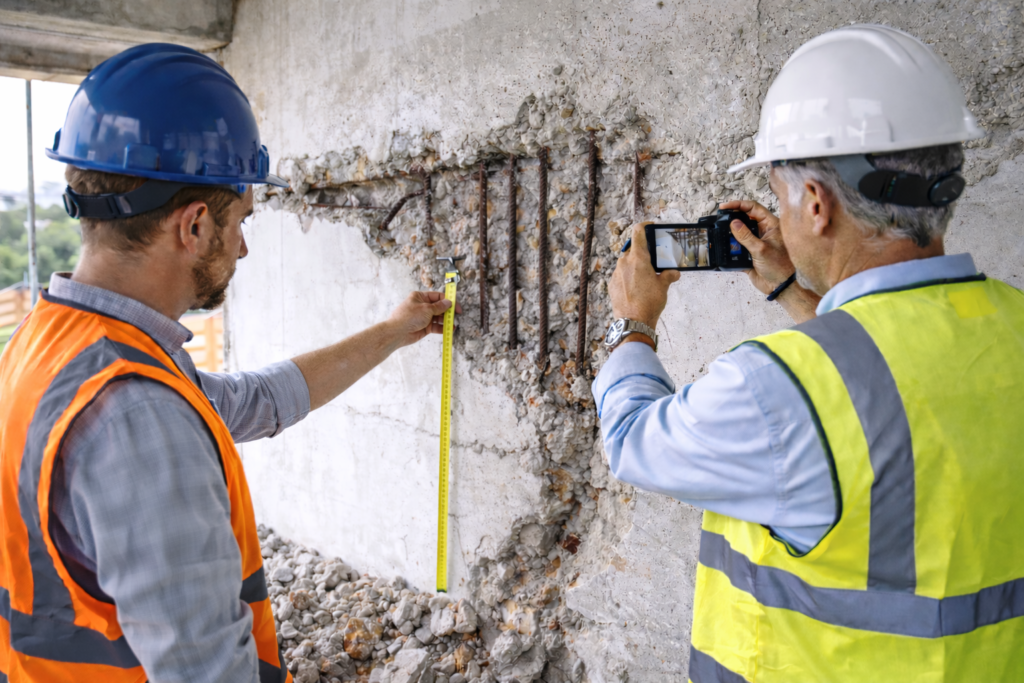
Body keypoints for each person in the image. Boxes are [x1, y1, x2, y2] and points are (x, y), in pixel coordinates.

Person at [0, 44, 457, 683]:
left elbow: (246, 404)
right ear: (192, 226)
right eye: (240, 218)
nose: (242, 246)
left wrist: (389, 333)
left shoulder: (55, 341)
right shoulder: (136, 412)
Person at [596, 24, 1024, 682]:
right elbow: (889, 391)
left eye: (782, 193)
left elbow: (632, 440)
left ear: (816, 203)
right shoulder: (1011, 325)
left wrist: (635, 323)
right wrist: (795, 290)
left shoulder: (773, 385)